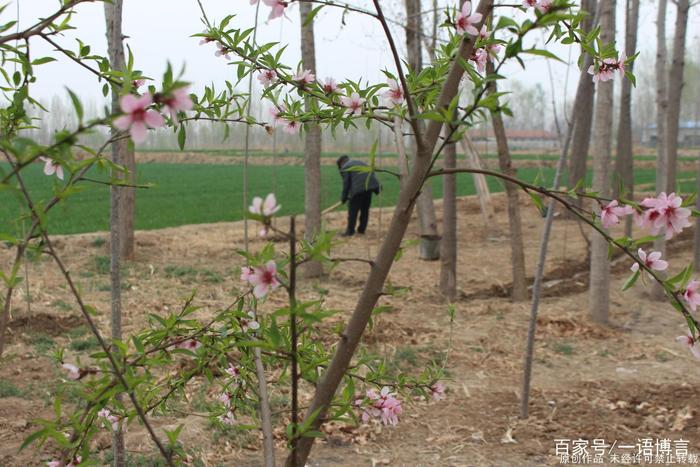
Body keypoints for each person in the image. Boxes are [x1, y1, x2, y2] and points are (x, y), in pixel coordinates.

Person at [337, 154, 381, 236]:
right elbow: (372, 173)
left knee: (353, 211)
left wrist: (344, 197)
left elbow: (346, 184)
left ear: (340, 163)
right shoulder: (359, 162)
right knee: (365, 210)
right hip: (369, 187)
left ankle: (350, 232)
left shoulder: (345, 167)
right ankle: (361, 230)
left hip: (358, 189)